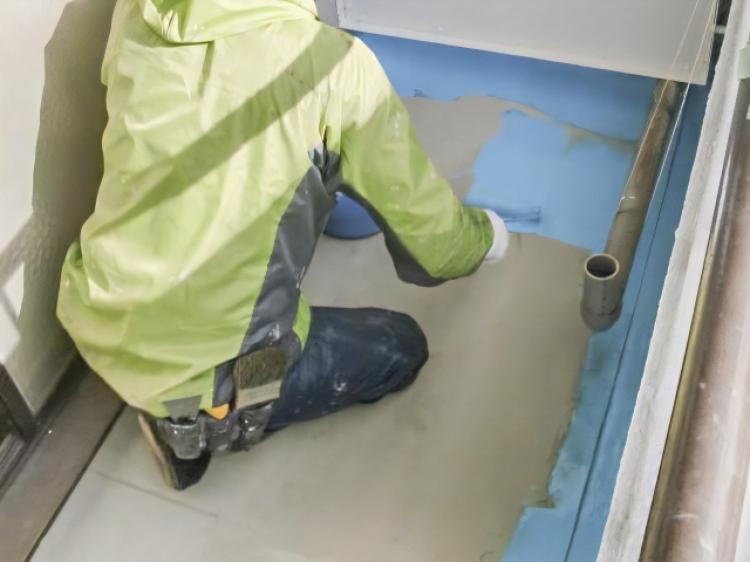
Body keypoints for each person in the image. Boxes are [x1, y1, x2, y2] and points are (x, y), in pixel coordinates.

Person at [57, 0, 509, 490]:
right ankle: (203, 424)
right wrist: (487, 236)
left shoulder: (137, 11)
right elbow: (439, 248)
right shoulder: (333, 65)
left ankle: (172, 396)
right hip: (209, 361)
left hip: (102, 311)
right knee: (401, 347)